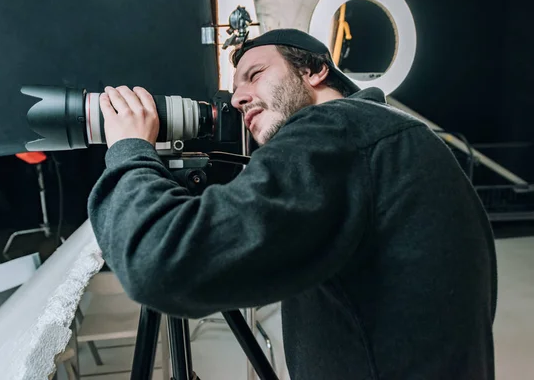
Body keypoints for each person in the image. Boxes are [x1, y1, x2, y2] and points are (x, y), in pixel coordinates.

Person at [87, 28, 497, 379]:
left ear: (314, 69)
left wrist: (129, 146)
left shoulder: (336, 129)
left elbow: (159, 262)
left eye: (255, 75)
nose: (237, 98)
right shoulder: (390, 138)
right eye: (236, 88)